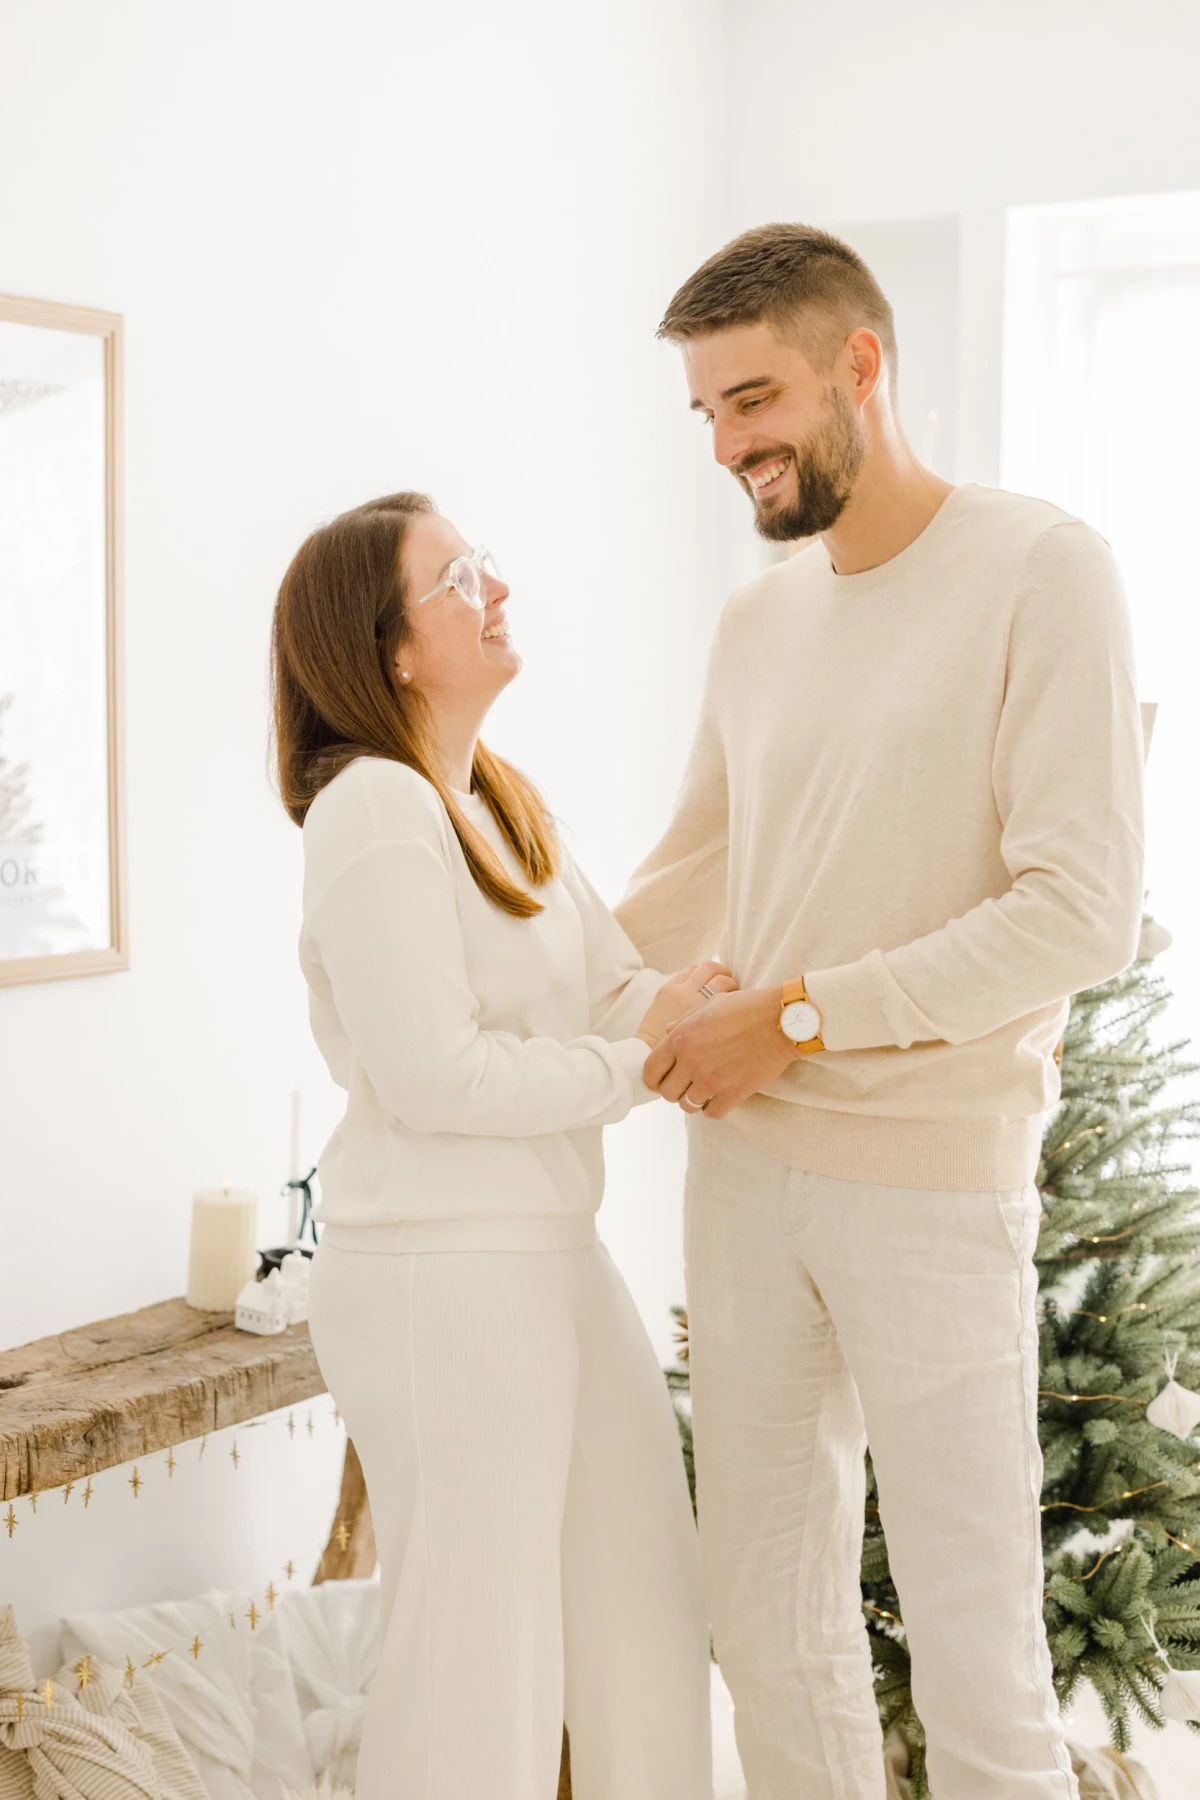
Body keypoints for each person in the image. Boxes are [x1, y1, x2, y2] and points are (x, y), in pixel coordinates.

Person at [615, 225, 1145, 1800]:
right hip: (744, 1177)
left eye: (754, 400)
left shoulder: (1043, 569)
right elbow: (686, 878)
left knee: (976, 1653)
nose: (729, 446)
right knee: (767, 1627)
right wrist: (495, 965)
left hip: (930, 1181)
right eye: (707, 413)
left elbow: (1078, 910)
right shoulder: (758, 622)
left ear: (862, 364)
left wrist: (786, 1020)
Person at [270, 492, 722, 1800]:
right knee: (481, 1658)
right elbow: (435, 1075)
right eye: (459, 577)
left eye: (485, 564)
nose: (497, 588)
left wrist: (701, 1010)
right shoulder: (373, 808)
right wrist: (645, 1067)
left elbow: (611, 984)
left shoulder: (499, 799)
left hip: (551, 1252)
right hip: (440, 1272)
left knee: (645, 1609)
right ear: (392, 651)